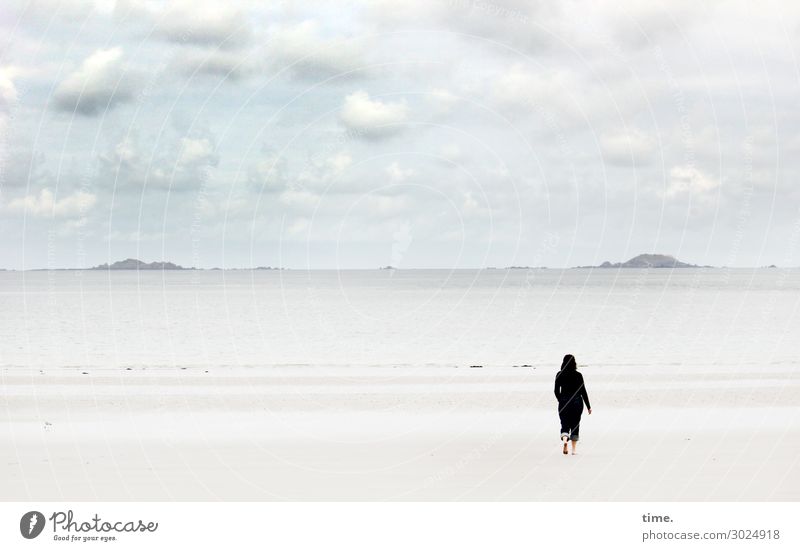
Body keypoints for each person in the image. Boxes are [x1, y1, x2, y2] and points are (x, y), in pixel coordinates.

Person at [554, 354, 591, 455]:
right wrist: (588, 406)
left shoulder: (559, 374)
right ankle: (574, 450)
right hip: (577, 401)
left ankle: (565, 441)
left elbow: (556, 391)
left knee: (564, 423)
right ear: (574, 363)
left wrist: (561, 400)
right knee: (575, 424)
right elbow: (583, 391)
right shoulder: (578, 375)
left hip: (564, 401)